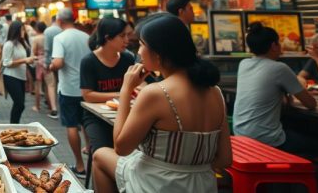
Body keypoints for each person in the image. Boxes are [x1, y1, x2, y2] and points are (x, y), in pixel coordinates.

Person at [91, 13, 231, 193]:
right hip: (203, 184)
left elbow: (121, 147)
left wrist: (126, 89)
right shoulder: (216, 92)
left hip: (157, 183)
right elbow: (224, 159)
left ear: (158, 53)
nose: (139, 52)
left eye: (141, 45)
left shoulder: (156, 92)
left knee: (100, 155)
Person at [234, 22, 318, 152]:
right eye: (279, 43)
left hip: (241, 135)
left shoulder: (243, 64)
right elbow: (310, 104)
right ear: (274, 46)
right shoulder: (279, 68)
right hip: (265, 140)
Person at [80, 18, 136, 159]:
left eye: (128, 35)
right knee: (102, 153)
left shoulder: (127, 59)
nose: (127, 40)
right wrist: (122, 93)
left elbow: (139, 84)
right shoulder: (89, 61)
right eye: (122, 36)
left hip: (123, 114)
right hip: (95, 118)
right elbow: (88, 95)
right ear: (108, 38)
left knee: (133, 152)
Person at [49, 8, 91, 179]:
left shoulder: (60, 38)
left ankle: (80, 166)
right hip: (87, 88)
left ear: (59, 21)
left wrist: (51, 66)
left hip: (68, 89)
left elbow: (58, 62)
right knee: (87, 124)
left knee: (72, 125)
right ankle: (91, 153)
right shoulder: (86, 37)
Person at [2, 21, 35, 123]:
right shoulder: (9, 44)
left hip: (21, 77)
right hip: (11, 77)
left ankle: (15, 125)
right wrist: (24, 60)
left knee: (20, 105)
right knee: (19, 104)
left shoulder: (23, 43)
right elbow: (6, 63)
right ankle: (13, 126)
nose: (24, 31)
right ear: (16, 30)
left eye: (24, 29)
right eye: (22, 29)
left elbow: (26, 59)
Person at [43, 15, 61, 120]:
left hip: (51, 61)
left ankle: (54, 108)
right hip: (63, 62)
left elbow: (47, 49)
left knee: (51, 85)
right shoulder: (63, 30)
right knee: (60, 84)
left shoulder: (48, 31)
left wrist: (46, 63)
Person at [31, 21, 50, 113]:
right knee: (48, 85)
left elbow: (34, 52)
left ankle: (37, 106)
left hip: (39, 62)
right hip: (47, 61)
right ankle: (50, 106)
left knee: (38, 84)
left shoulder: (36, 38)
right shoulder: (47, 37)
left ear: (37, 29)